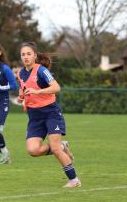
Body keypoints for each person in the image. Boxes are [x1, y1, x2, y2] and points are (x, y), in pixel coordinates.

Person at [17, 42, 81, 188]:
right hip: (34, 116)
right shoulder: (20, 73)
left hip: (50, 113)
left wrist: (37, 92)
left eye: (28, 54)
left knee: (55, 149)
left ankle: (74, 180)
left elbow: (56, 87)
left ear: (34, 55)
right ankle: (62, 146)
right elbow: (23, 90)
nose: (25, 57)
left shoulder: (41, 70)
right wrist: (22, 100)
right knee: (32, 150)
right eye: (23, 54)